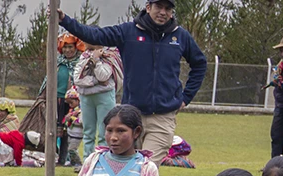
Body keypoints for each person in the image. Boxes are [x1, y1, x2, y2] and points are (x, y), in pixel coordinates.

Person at [59, 0, 207, 163]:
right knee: (126, 168)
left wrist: (186, 97)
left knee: (146, 167)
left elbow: (199, 64)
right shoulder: (128, 32)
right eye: (159, 7)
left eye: (168, 9)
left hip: (163, 117)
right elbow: (94, 35)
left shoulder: (180, 36)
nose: (163, 12)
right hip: (131, 115)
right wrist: (65, 20)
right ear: (148, 7)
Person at [68, 45, 122, 160]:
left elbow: (103, 76)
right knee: (88, 132)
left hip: (105, 96)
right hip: (86, 96)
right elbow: (77, 78)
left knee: (105, 130)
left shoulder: (109, 55)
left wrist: (96, 60)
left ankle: (104, 161)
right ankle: (88, 161)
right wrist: (95, 81)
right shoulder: (84, 56)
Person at [48, 35, 85, 165]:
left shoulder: (80, 62)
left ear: (76, 48)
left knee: (69, 129)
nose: (67, 50)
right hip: (57, 100)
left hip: (73, 102)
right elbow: (49, 79)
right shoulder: (58, 62)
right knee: (56, 130)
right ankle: (57, 157)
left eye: (70, 47)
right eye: (65, 47)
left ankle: (68, 157)